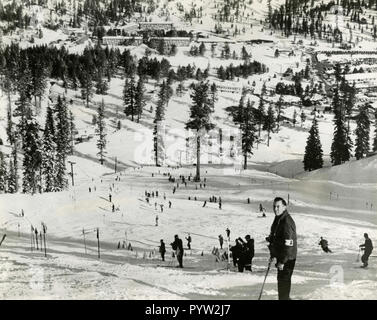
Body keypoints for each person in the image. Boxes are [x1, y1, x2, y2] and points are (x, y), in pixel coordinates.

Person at [266, 197, 297, 300]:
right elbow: (277, 238)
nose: (275, 209)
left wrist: (283, 262)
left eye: (278, 206)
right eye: (274, 206)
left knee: (283, 286)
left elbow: (289, 244)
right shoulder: (279, 218)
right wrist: (273, 253)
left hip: (287, 259)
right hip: (282, 257)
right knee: (282, 285)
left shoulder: (286, 221)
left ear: (284, 207)